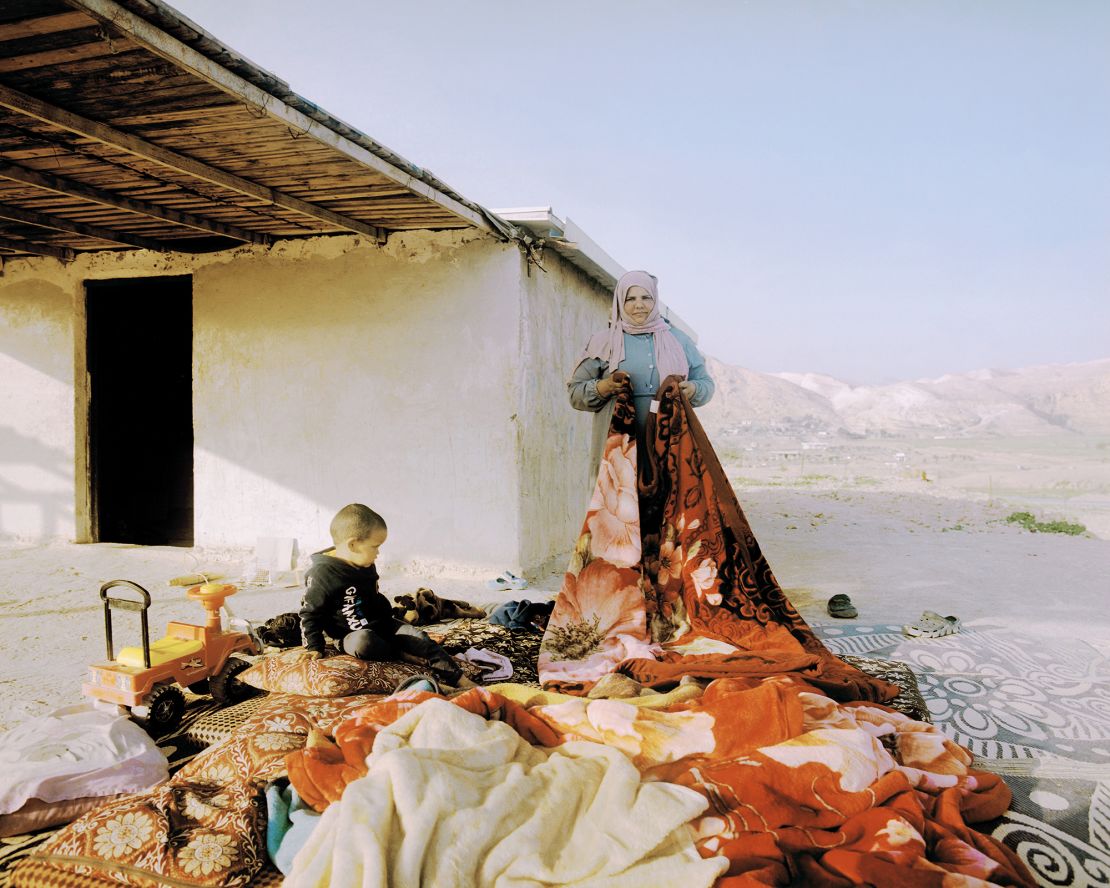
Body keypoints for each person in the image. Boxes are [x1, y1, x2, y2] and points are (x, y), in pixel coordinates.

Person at [299, 503, 461, 682]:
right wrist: (314, 647)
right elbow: (310, 614)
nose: (378, 553)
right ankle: (398, 653)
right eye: (375, 546)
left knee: (420, 638)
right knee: (365, 643)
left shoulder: (364, 562)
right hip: (350, 635)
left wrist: (393, 619)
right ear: (353, 544)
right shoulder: (321, 574)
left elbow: (374, 598)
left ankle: (458, 678)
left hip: (382, 625)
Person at [568, 270, 715, 436]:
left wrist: (693, 389)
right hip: (618, 450)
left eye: (646, 297)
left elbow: (706, 384)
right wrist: (605, 386)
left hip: (669, 448)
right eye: (630, 299)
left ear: (655, 299)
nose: (639, 305)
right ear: (619, 302)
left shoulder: (679, 340)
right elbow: (575, 394)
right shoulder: (603, 342)